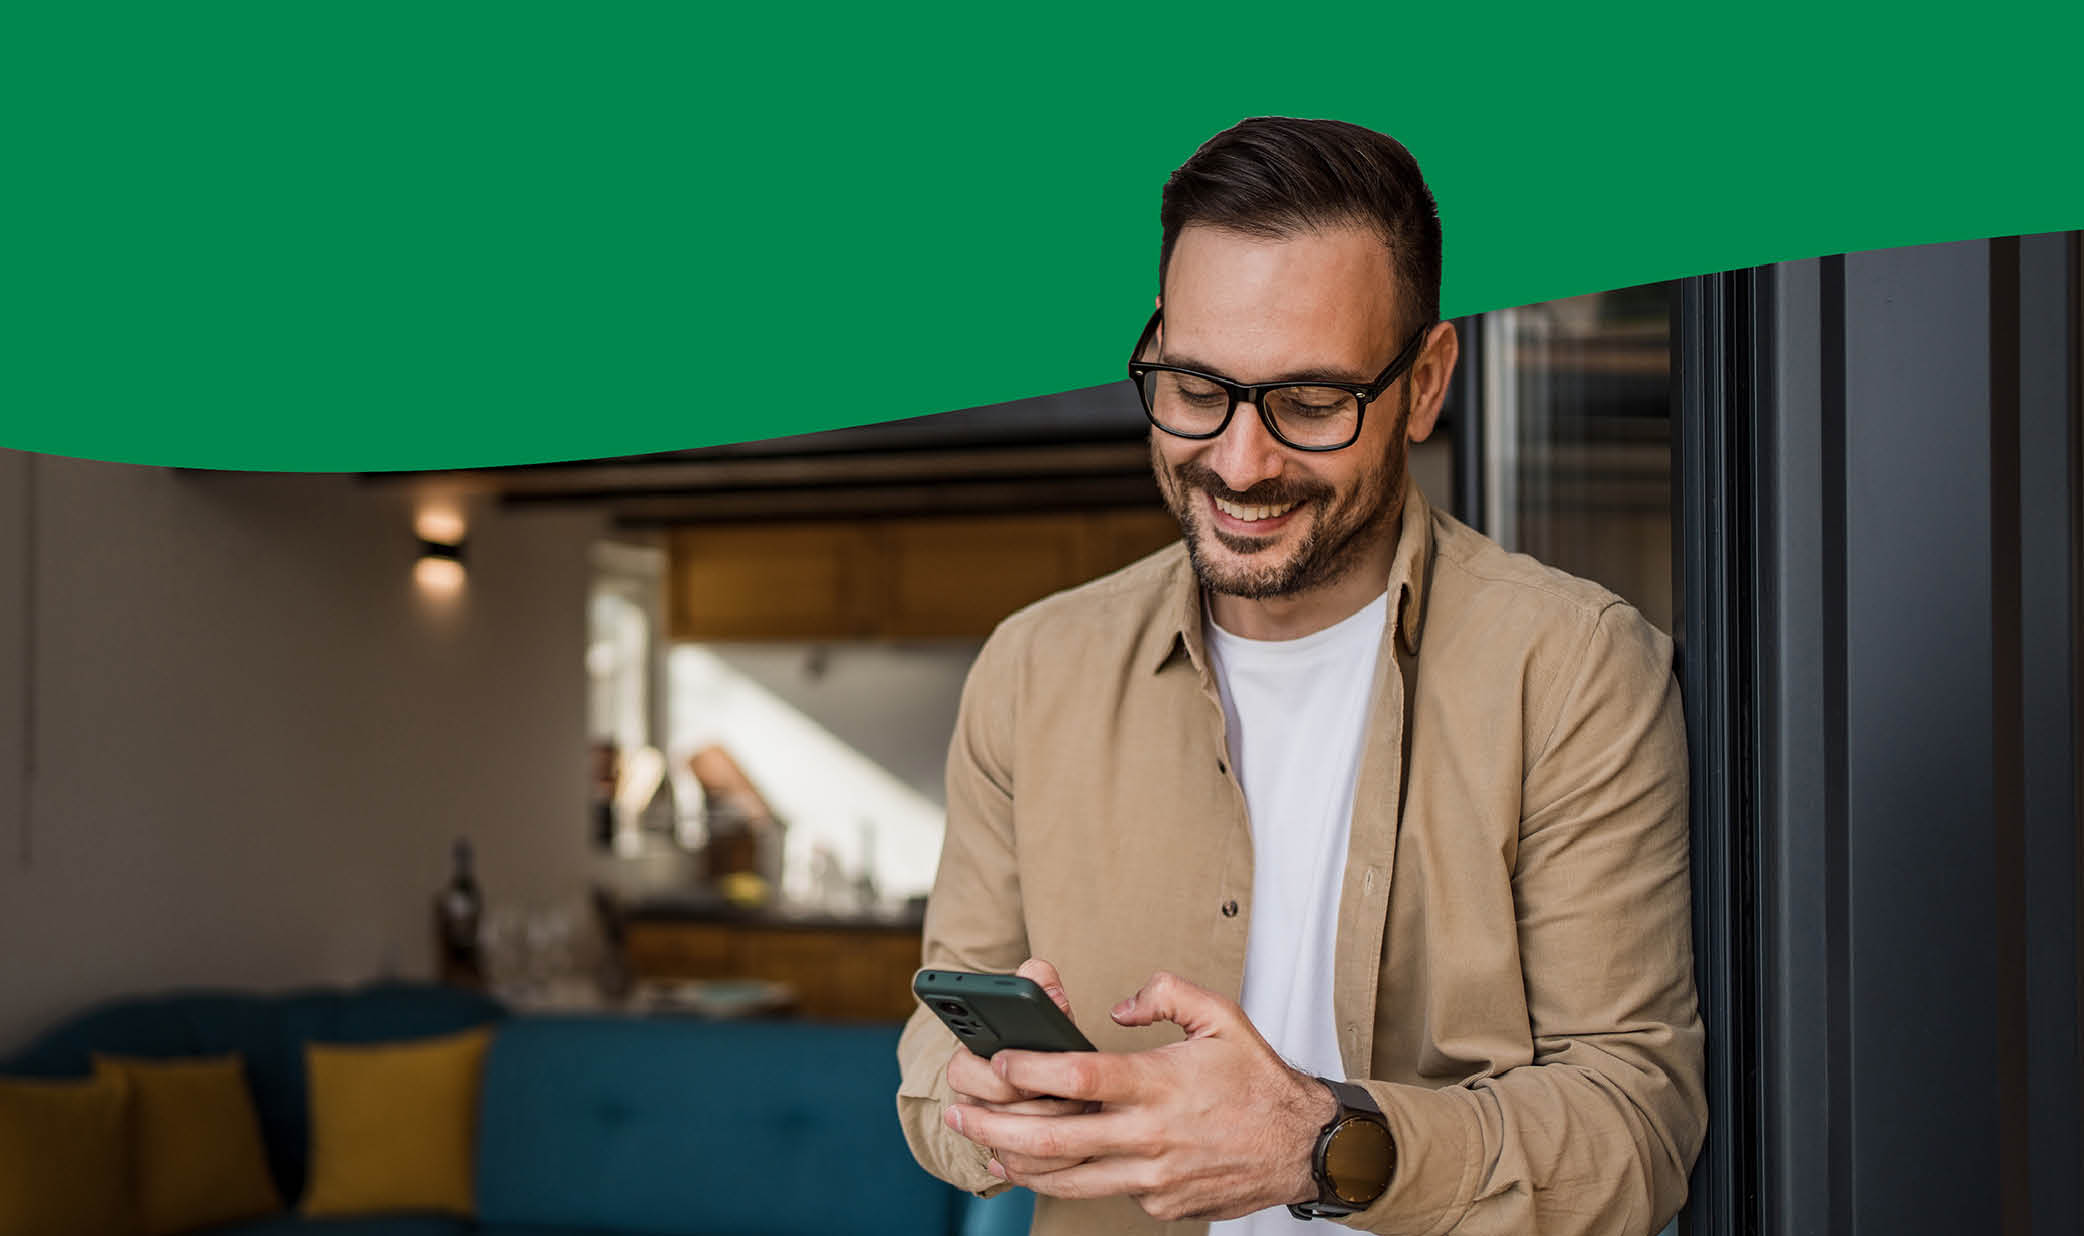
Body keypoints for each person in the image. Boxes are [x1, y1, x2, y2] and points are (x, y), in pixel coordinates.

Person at [896, 116, 1705, 1235]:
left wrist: (1319, 1144)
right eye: (1195, 387)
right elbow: (933, 1052)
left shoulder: (1573, 672)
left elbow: (1634, 1129)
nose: (1239, 463)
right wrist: (982, 1108)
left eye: (1311, 403)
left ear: (1425, 384)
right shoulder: (1031, 671)